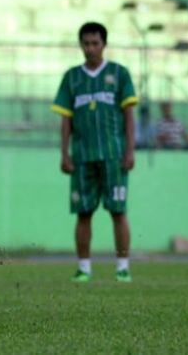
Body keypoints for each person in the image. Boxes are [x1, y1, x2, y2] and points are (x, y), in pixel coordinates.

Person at [51, 22, 137, 283]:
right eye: (86, 44)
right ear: (81, 45)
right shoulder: (71, 77)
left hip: (114, 155)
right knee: (83, 212)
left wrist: (130, 151)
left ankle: (122, 266)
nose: (90, 48)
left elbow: (129, 116)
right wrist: (64, 154)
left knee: (118, 210)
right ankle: (84, 268)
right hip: (82, 156)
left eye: (95, 43)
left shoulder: (119, 74)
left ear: (104, 44)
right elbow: (65, 120)